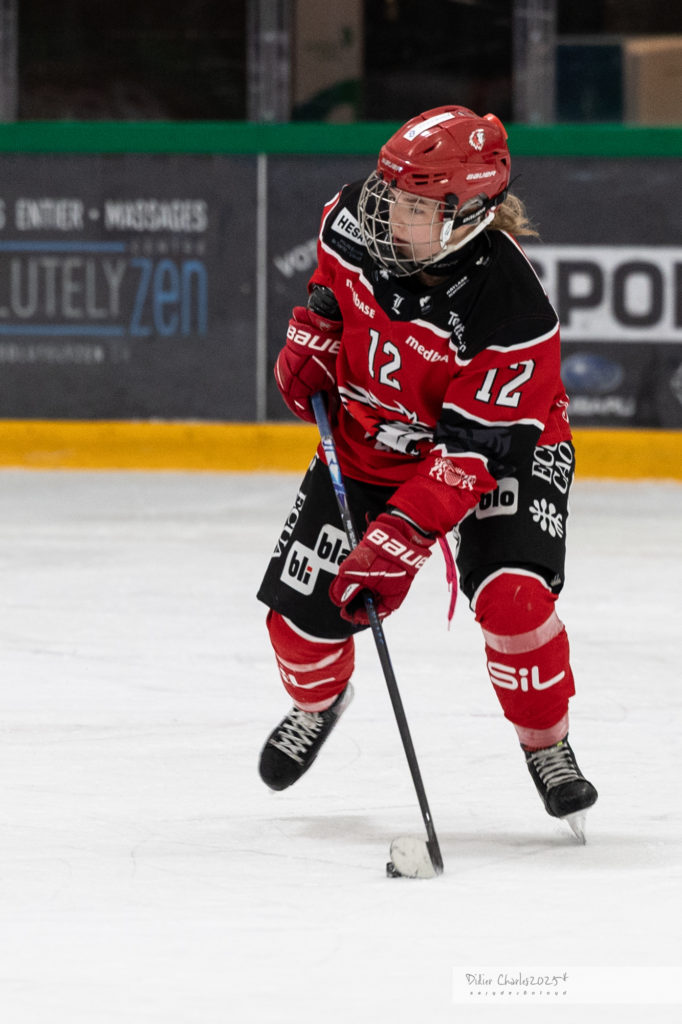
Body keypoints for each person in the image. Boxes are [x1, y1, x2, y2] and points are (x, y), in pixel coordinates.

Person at [256, 105, 597, 836]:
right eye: (390, 193)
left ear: (467, 215)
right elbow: (329, 295)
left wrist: (400, 536)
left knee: (514, 600)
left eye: (413, 206)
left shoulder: (513, 312)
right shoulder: (352, 219)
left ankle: (548, 746)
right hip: (374, 437)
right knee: (297, 629)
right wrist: (315, 338)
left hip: (506, 445)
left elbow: (474, 454)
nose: (385, 214)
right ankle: (319, 703)